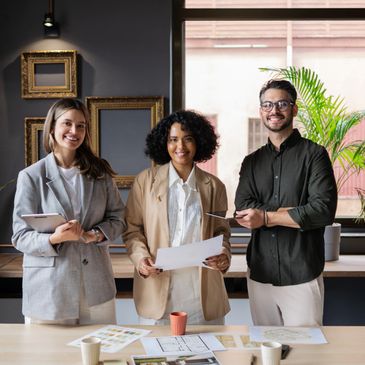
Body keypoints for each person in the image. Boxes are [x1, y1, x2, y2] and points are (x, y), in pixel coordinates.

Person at [12, 98, 125, 325]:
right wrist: (55, 238)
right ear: (52, 127)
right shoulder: (31, 176)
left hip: (95, 287)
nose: (74, 131)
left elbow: (118, 218)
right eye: (67, 123)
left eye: (81, 125)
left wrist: (95, 235)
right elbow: (19, 237)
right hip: (49, 289)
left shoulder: (100, 172)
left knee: (101, 356)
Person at [234, 79, 337, 326]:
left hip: (301, 274)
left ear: (294, 109)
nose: (274, 110)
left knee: (305, 355)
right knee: (266, 353)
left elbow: (322, 211)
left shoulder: (315, 155)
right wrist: (295, 212)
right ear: (261, 112)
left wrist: (266, 217)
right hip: (260, 274)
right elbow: (243, 208)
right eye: (267, 105)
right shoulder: (251, 162)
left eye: (281, 103)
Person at [123, 110, 231, 325]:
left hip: (202, 293)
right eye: (173, 140)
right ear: (164, 143)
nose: (180, 147)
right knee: (156, 356)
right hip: (157, 290)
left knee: (206, 355)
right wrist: (141, 259)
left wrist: (224, 255)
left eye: (188, 139)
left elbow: (221, 232)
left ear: (199, 142)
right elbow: (132, 230)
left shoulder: (214, 186)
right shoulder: (145, 181)